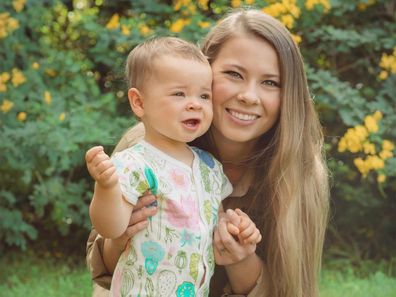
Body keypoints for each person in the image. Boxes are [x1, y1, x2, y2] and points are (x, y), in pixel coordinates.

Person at [87, 8, 329, 297]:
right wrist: (122, 237)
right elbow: (105, 273)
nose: (248, 96)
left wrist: (240, 259)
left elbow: (292, 289)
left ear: (288, 95)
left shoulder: (298, 173)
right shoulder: (146, 149)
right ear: (202, 70)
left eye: (270, 82)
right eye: (233, 74)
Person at [85, 37, 261, 297]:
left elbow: (214, 220)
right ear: (139, 103)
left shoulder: (209, 166)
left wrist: (236, 227)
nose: (194, 103)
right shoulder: (135, 163)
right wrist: (106, 187)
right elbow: (111, 228)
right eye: (179, 94)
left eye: (204, 95)